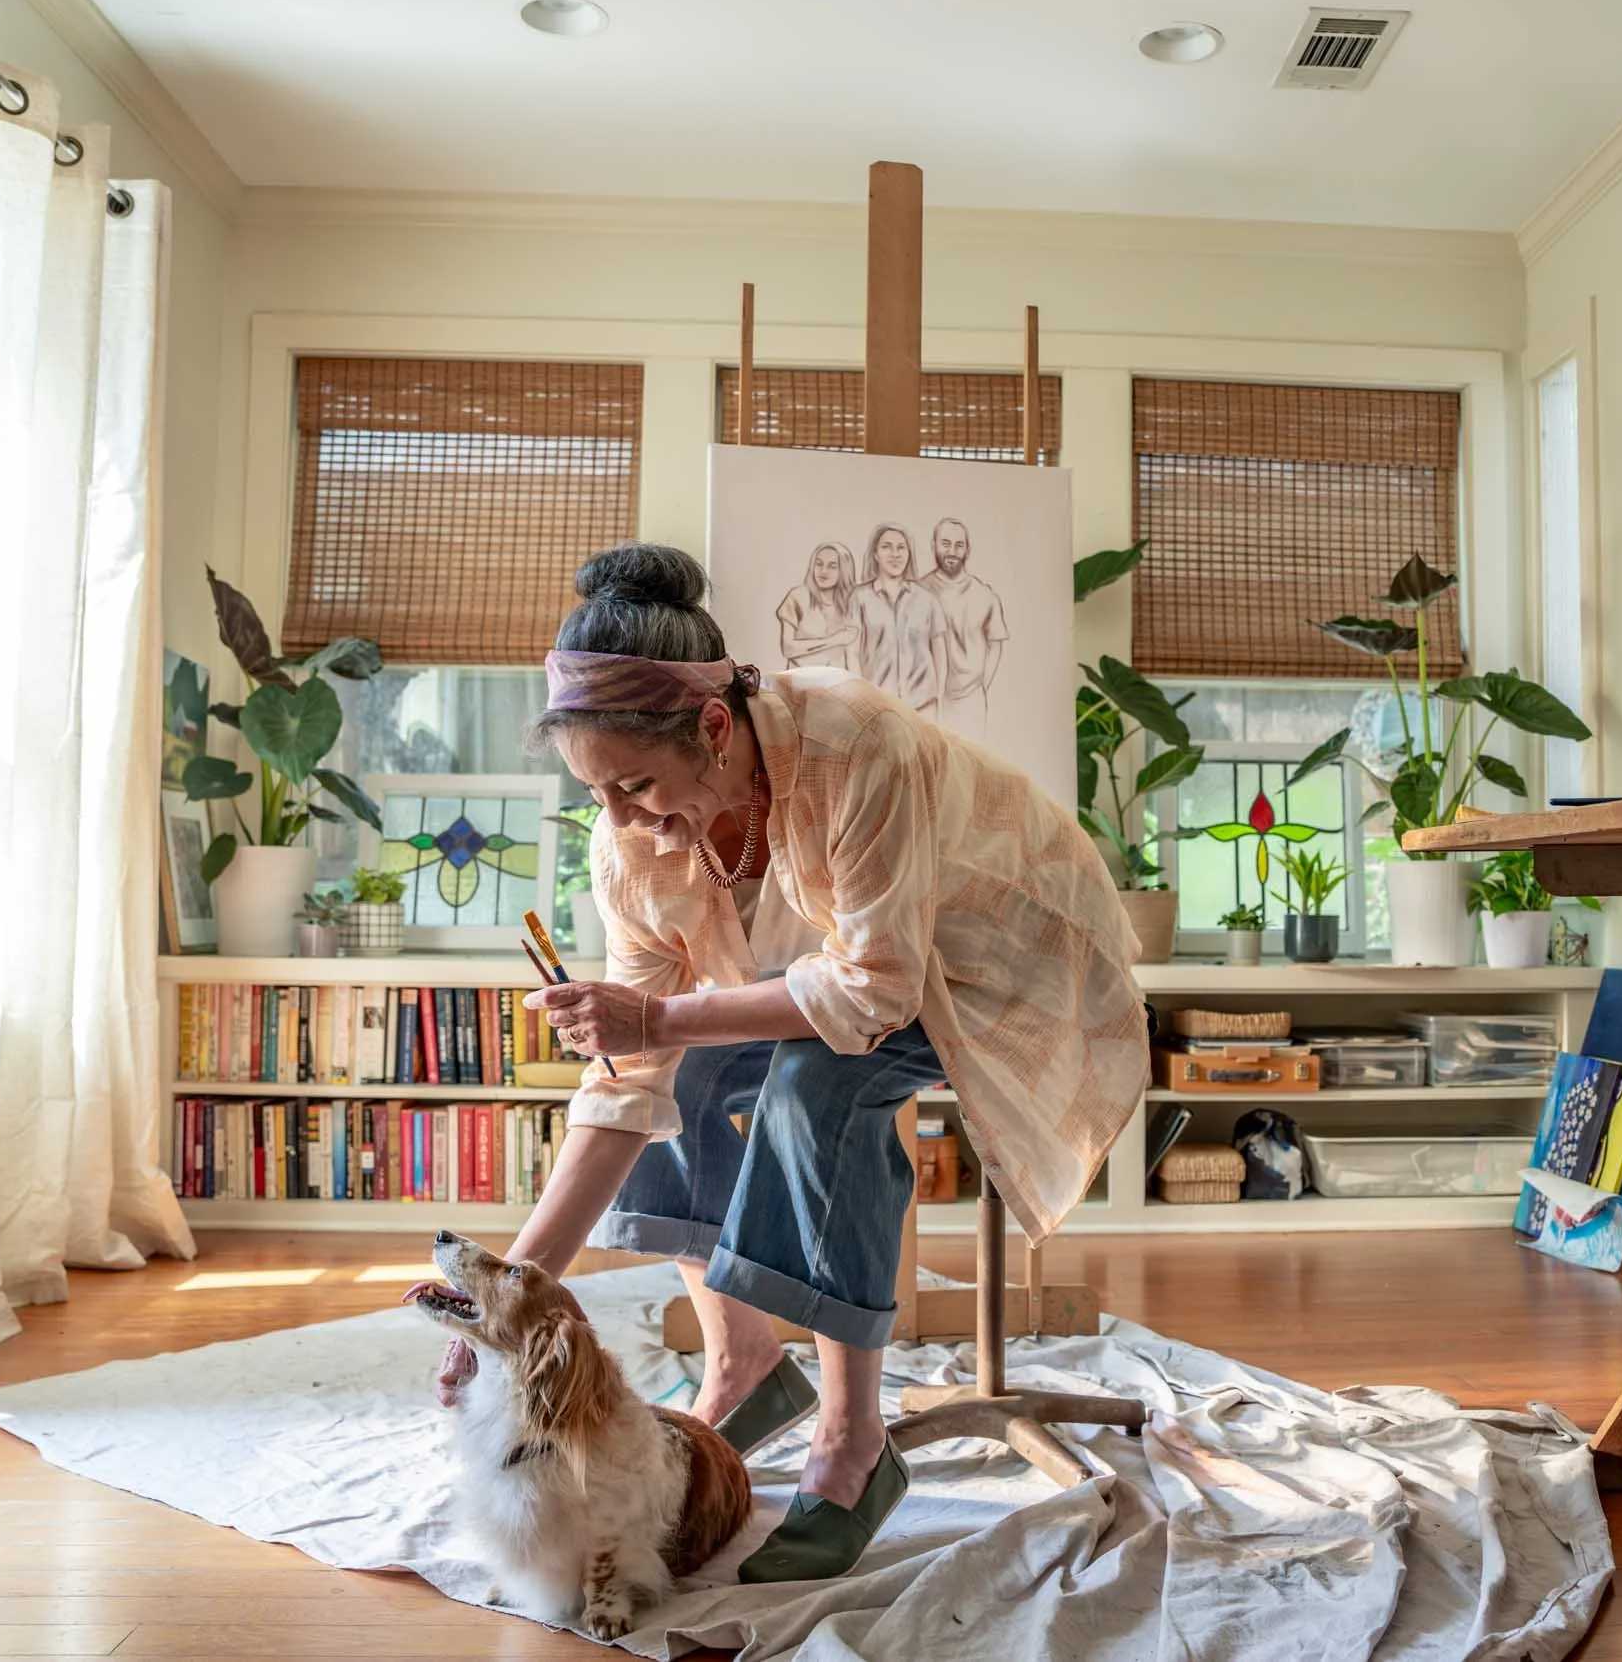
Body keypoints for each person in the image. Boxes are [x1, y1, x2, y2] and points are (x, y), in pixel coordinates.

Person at [440, 543, 1148, 1585]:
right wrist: (510, 1294)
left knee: (817, 1082)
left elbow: (871, 992)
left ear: (715, 728)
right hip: (853, 965)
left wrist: (660, 1016)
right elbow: (628, 1072)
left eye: (636, 785)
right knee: (662, 1068)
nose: (623, 821)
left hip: (1003, 959)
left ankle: (854, 1445)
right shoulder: (627, 841)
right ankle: (745, 1357)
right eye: (598, 794)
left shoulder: (857, 746)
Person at [923, 517, 1008, 739]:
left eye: (959, 545)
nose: (952, 551)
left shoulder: (984, 594)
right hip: (928, 699)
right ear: (934, 545)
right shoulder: (919, 591)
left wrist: (981, 686)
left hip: (971, 700)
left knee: (970, 765)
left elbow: (996, 644)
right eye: (946, 543)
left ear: (968, 550)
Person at [850, 523, 942, 714]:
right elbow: (852, 652)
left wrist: (939, 696)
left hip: (922, 704)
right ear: (875, 554)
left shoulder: (927, 600)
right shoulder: (859, 598)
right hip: (876, 706)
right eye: (887, 547)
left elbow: (940, 653)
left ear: (909, 554)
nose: (895, 554)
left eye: (901, 547)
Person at [773, 541, 862, 673]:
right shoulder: (798, 597)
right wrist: (833, 640)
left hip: (836, 685)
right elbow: (788, 648)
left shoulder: (851, 603)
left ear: (844, 570)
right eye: (818, 564)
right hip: (798, 682)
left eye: (832, 566)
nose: (823, 571)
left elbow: (852, 659)